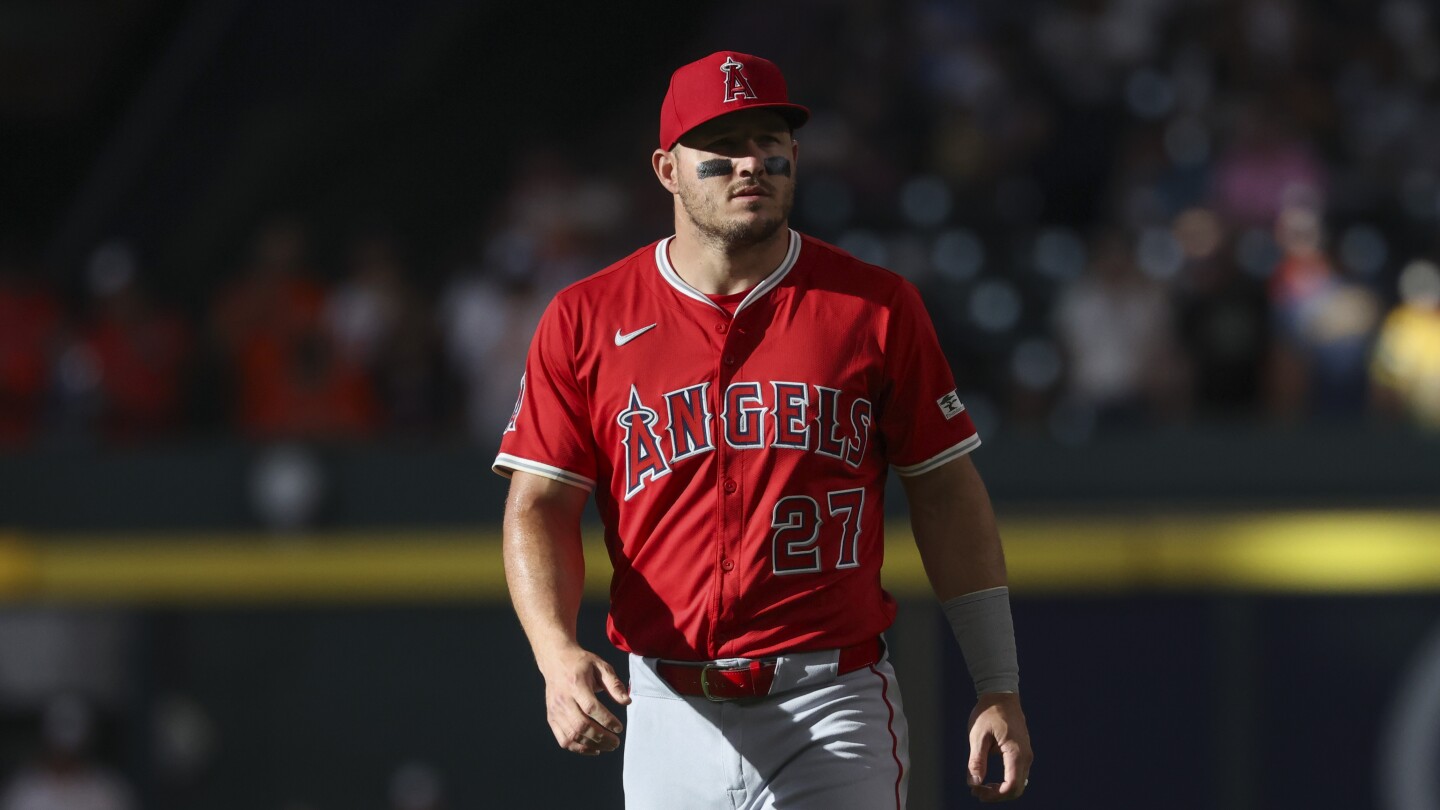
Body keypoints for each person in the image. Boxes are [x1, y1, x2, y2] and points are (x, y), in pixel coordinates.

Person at [495, 51, 1033, 808]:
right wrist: (554, 654)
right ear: (666, 169)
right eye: (722, 146)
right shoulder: (586, 317)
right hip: (665, 706)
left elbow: (947, 493)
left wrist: (996, 684)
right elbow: (538, 503)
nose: (751, 163)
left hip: (830, 699)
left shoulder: (874, 307)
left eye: (768, 142)